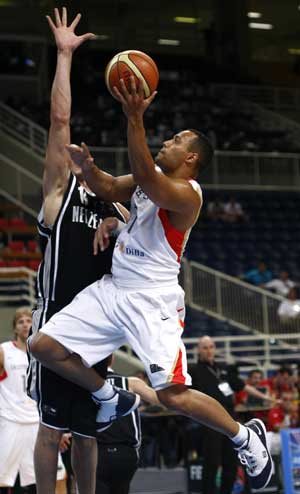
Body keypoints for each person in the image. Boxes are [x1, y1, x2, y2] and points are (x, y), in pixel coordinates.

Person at [29, 74, 273, 491]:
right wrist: (90, 171)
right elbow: (109, 186)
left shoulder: (187, 193)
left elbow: (145, 177)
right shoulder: (151, 178)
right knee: (43, 346)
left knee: (174, 394)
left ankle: (244, 438)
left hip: (151, 301)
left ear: (192, 158)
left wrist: (135, 117)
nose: (168, 142)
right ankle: (108, 396)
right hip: (112, 290)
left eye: (177, 139)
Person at [26, 8, 126, 494]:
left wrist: (113, 219)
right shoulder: (57, 196)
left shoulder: (119, 211)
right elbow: (60, 119)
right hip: (56, 320)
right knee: (51, 429)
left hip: (97, 330)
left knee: (87, 435)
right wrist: (64, 56)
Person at [188, 336, 274, 494]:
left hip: (230, 421)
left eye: (211, 346)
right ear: (198, 350)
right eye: (205, 347)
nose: (209, 350)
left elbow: (243, 386)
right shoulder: (193, 370)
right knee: (212, 463)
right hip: (209, 422)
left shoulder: (223, 369)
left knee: (231, 463)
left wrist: (266, 398)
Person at [0, 309, 65, 493]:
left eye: (28, 320)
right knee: (3, 478)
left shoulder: (42, 352)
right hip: (10, 420)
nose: (25, 324)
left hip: (38, 421)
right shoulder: (4, 350)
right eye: (20, 321)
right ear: (14, 327)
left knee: (57, 475)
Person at [96, 354, 160, 494]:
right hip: (126, 454)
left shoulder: (84, 386)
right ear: (112, 359)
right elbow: (160, 400)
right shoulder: (131, 383)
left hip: (96, 453)